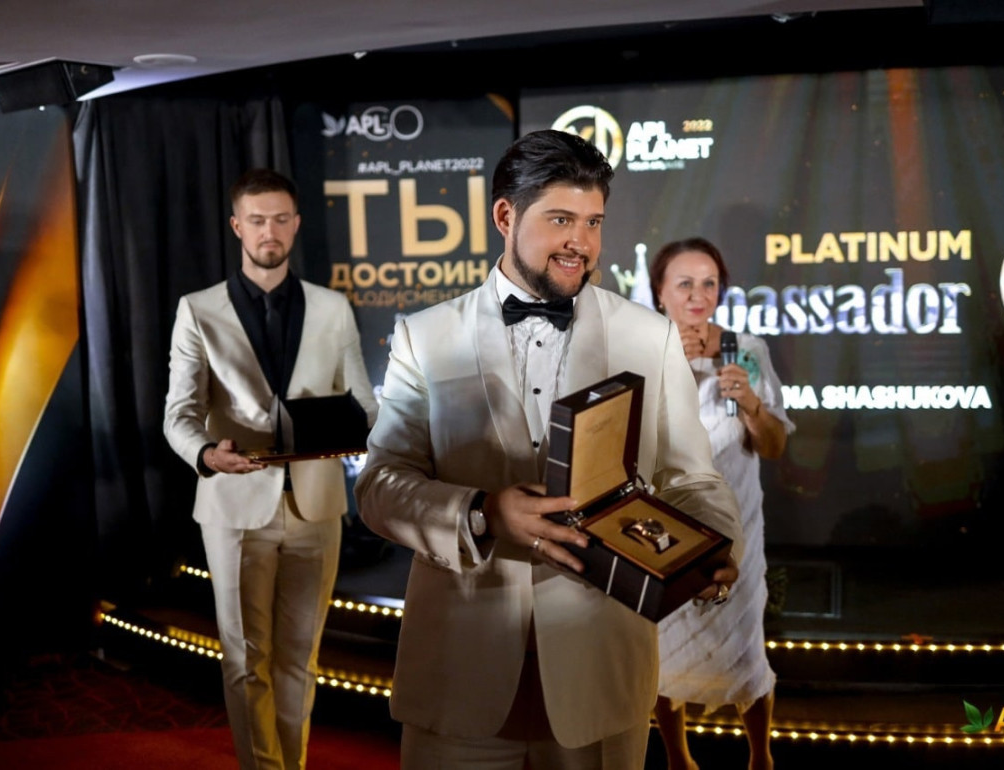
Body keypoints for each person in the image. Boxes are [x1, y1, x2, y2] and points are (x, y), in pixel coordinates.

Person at [355, 129, 745, 770]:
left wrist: (714, 545)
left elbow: (693, 480)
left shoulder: (648, 336)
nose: (581, 243)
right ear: (505, 216)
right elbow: (380, 486)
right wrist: (482, 513)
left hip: (602, 675)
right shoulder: (425, 337)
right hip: (459, 678)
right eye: (561, 219)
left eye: (593, 222)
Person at [163, 167, 379, 770]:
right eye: (257, 220)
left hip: (317, 507)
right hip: (233, 507)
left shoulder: (332, 307)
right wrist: (207, 455)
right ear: (237, 226)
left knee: (300, 658)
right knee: (244, 658)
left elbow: (364, 402)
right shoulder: (198, 310)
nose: (269, 231)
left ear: (296, 224)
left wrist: (372, 434)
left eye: (281, 219)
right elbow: (178, 415)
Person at [648, 237, 795, 770]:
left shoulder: (745, 349)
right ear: (660, 292)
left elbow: (774, 446)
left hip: (737, 525)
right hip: (666, 527)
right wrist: (673, 369)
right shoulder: (641, 352)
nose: (698, 295)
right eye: (684, 283)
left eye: (709, 283)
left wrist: (751, 404)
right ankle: (678, 758)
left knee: (745, 644)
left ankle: (760, 757)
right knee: (663, 646)